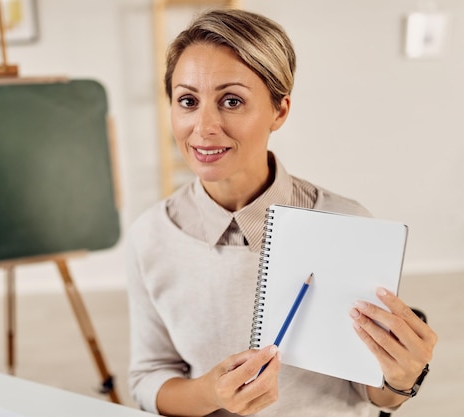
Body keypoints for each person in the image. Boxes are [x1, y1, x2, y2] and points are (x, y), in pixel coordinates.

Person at [126, 8, 437, 417]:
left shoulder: (348, 224)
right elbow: (147, 380)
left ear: (280, 111)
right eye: (187, 101)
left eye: (231, 101)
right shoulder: (151, 235)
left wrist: (401, 377)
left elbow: (378, 396)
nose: (203, 127)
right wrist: (210, 394)